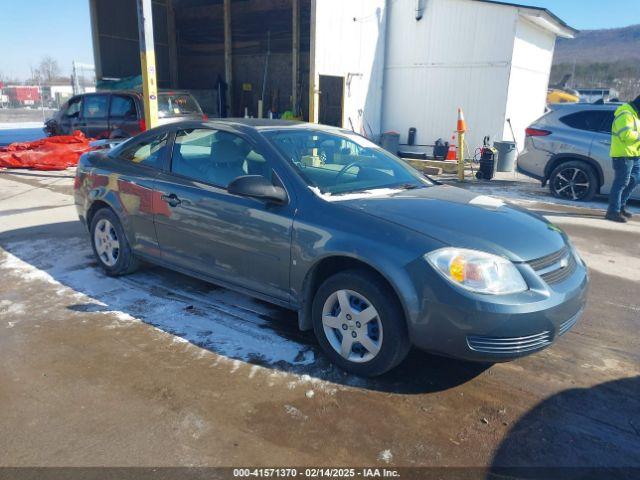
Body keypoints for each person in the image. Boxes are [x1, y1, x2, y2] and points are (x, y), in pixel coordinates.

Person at [607, 95, 640, 222]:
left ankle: (620, 207)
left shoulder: (635, 115)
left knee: (634, 180)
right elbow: (626, 135)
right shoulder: (625, 113)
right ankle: (613, 211)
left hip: (634, 154)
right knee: (621, 183)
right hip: (623, 155)